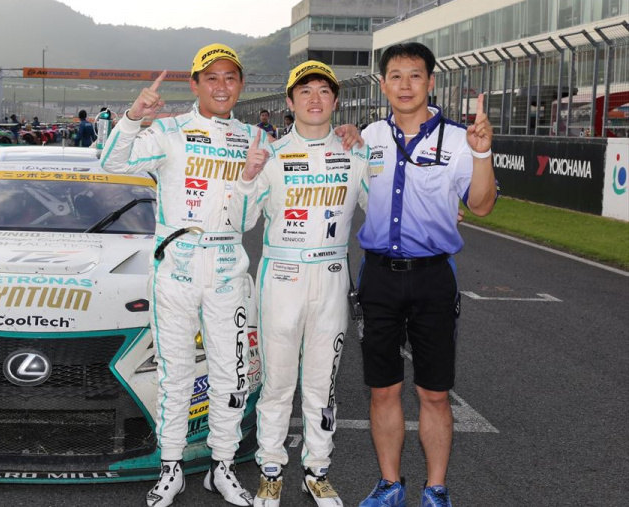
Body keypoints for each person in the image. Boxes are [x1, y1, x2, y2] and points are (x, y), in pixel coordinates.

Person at [101, 44, 363, 507]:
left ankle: (221, 466)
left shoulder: (255, 138)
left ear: (240, 85)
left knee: (232, 377)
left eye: (230, 78)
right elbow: (111, 164)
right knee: (175, 375)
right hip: (176, 268)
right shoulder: (168, 130)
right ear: (195, 84)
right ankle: (170, 466)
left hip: (228, 268)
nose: (222, 86)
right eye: (212, 77)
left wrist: (349, 134)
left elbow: (249, 215)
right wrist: (132, 117)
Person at [355, 42, 496, 507]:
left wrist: (482, 154)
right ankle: (389, 485)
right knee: (383, 389)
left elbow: (481, 205)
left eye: (415, 75)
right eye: (395, 76)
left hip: (434, 278)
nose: (405, 85)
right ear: (383, 85)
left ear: (430, 82)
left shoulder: (458, 139)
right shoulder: (369, 136)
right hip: (379, 277)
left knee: (434, 394)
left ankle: (436, 489)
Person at [228, 61, 368, 507]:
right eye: (304, 91)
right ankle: (270, 470)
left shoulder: (355, 154)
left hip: (331, 279)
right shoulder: (270, 154)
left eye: (323, 90)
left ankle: (317, 470)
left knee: (322, 385)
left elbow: (386, 209)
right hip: (281, 280)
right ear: (289, 102)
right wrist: (247, 177)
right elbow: (241, 221)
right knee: (276, 385)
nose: (314, 98)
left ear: (336, 101)